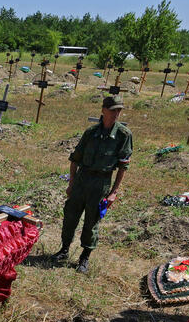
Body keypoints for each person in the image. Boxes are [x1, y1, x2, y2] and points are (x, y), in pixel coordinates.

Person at [52, 95, 133, 274]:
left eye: (119, 110)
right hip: (82, 179)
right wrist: (71, 183)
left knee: (92, 221)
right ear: (103, 110)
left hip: (101, 182)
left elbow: (122, 167)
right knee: (70, 216)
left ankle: (84, 258)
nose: (116, 114)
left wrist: (113, 192)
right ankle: (64, 250)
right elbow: (75, 160)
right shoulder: (90, 133)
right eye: (113, 110)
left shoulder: (123, 135)